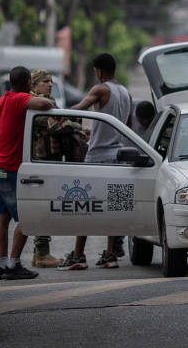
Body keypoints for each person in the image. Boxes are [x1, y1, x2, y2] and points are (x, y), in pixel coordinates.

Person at [0, 66, 53, 280]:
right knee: (28, 218)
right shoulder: (21, 99)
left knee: (3, 217)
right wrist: (44, 100)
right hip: (8, 169)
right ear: (28, 82)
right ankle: (13, 264)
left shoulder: (0, 101)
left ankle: (2, 265)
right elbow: (45, 104)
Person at [58, 53, 132, 270]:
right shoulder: (125, 93)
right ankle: (110, 255)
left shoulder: (100, 89)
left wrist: (58, 113)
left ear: (99, 71)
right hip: (118, 156)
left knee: (85, 207)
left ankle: (78, 256)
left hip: (98, 157)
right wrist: (98, 132)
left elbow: (81, 107)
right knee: (114, 208)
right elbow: (126, 127)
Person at [28, 68, 79, 268]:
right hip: (40, 161)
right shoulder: (35, 103)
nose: (50, 84)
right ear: (34, 85)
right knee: (43, 207)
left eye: (51, 81)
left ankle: (38, 254)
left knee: (46, 206)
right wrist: (78, 129)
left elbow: (62, 121)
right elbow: (55, 125)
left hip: (49, 161)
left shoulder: (47, 101)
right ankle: (42, 253)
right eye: (45, 81)